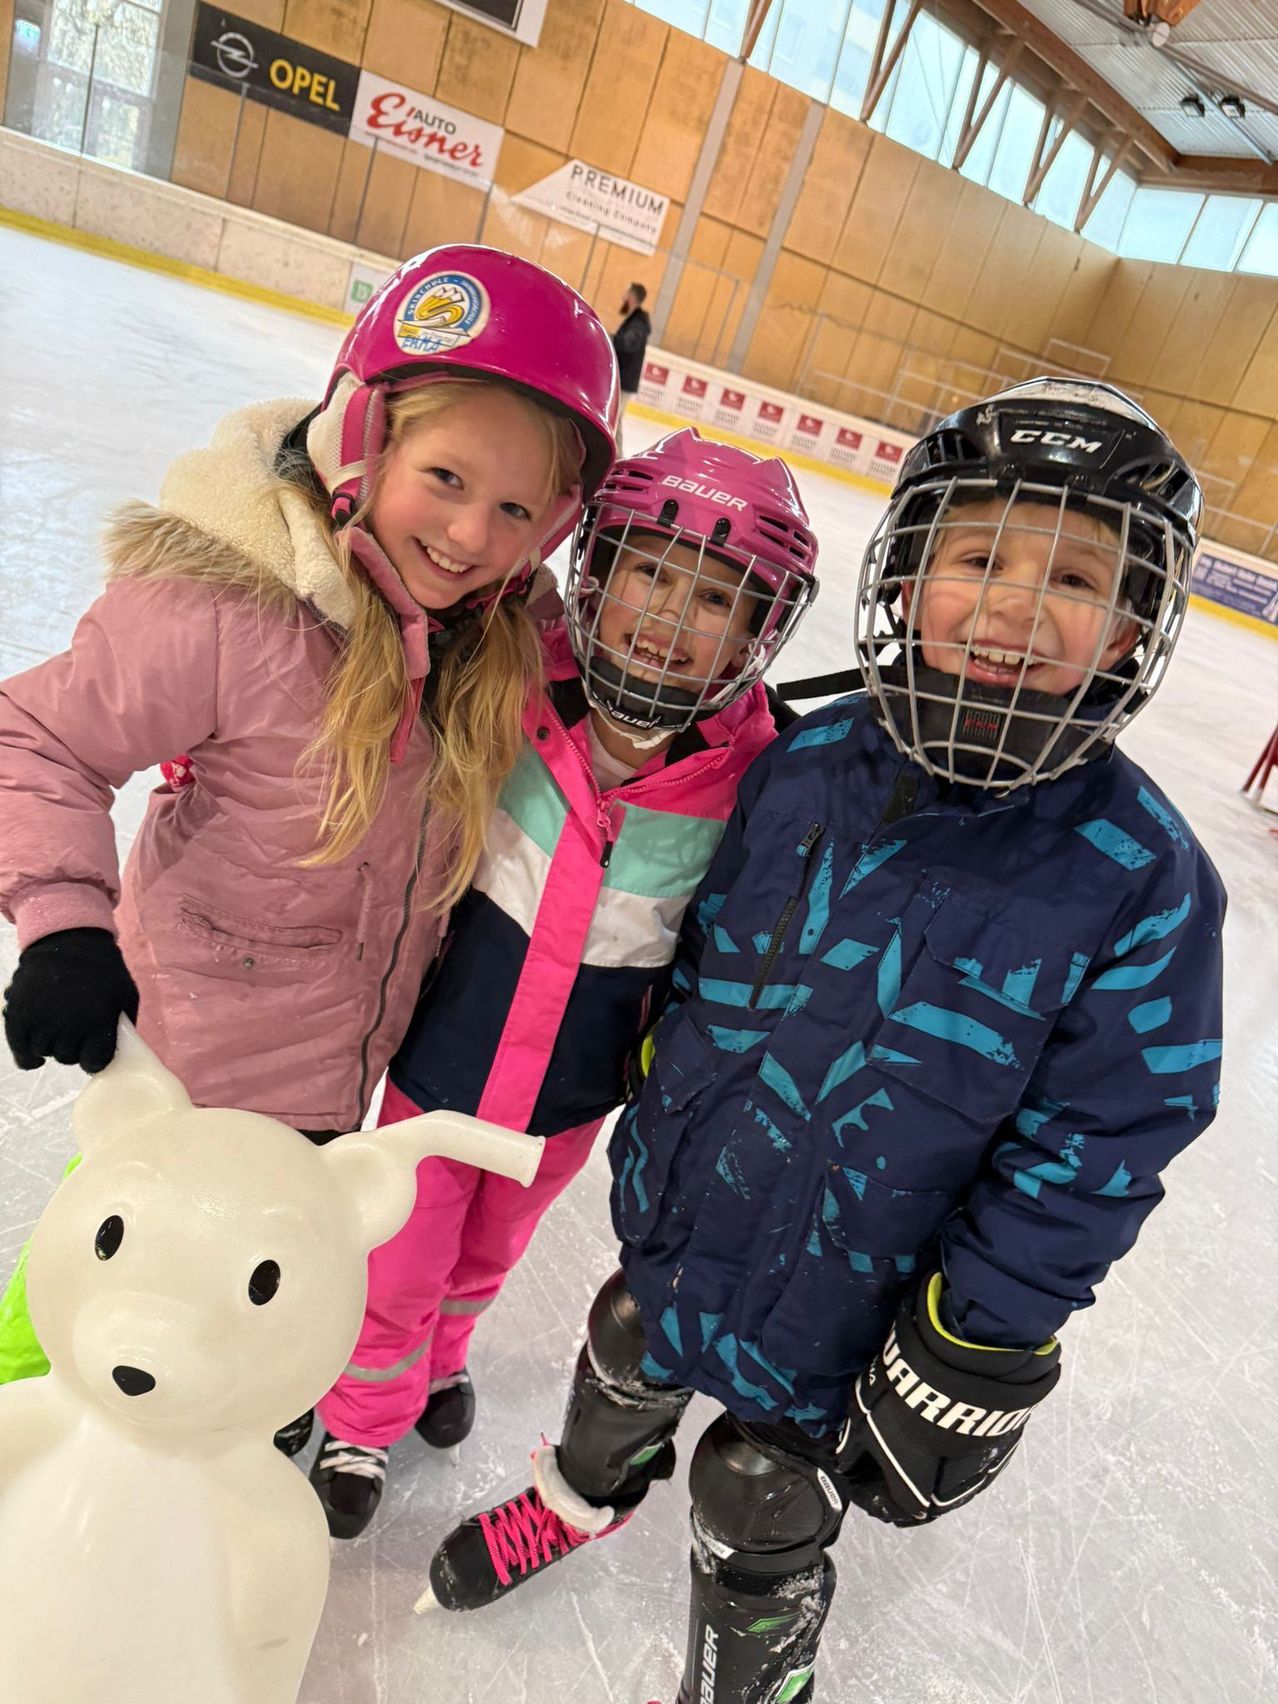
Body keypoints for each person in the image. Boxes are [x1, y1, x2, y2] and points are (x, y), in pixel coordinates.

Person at [422, 380, 1225, 1704]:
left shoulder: (1138, 877)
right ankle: (574, 1505)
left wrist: (979, 1342)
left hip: (858, 1296)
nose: (1020, 604)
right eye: (980, 558)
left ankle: (747, 1679)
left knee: (759, 1493)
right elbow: (700, 959)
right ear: (906, 576)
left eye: (1074, 576)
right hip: (694, 1213)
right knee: (625, 1346)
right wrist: (653, 1105)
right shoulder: (797, 767)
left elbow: (1103, 1143)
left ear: (1134, 623)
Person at [0, 244, 618, 1412]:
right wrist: (66, 928)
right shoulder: (230, 611)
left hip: (336, 1091)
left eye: (515, 509)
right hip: (182, 1079)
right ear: (366, 440)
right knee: (91, 1314)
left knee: (237, 1328)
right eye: (443, 476)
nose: (472, 533)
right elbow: (34, 740)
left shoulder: (492, 647)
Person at [308, 427, 819, 1537]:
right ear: (597, 567)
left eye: (715, 598)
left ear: (758, 629)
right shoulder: (512, 677)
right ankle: (360, 1414)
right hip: (443, 1062)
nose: (671, 617)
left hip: (571, 1094)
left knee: (488, 1252)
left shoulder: (756, 777)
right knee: (399, 1248)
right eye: (649, 571)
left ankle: (440, 1359)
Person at [612, 283, 651, 424]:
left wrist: (611, 340)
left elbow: (629, 344)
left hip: (624, 379)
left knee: (613, 420)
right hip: (623, 378)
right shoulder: (635, 320)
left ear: (632, 297)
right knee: (615, 421)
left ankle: (615, 447)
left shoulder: (638, 323)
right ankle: (617, 447)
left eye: (626, 293)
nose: (623, 297)